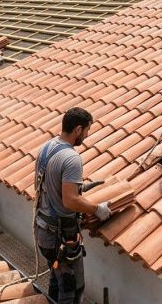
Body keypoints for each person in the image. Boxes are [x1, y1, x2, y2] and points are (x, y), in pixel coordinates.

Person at [35, 107, 112, 304]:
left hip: (43, 230)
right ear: (78, 129)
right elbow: (70, 201)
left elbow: (47, 185)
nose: (87, 135)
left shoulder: (47, 147)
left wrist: (80, 187)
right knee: (73, 288)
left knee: (57, 278)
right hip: (59, 236)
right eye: (87, 130)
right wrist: (97, 209)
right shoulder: (71, 158)